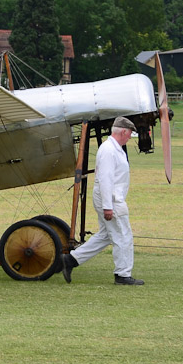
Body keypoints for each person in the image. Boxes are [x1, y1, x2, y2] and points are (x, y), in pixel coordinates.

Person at [61, 117, 144, 285]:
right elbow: (105, 179)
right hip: (111, 200)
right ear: (123, 131)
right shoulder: (109, 150)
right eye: (129, 134)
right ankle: (122, 275)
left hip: (111, 198)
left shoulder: (114, 148)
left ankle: (71, 260)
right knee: (123, 236)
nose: (129, 138)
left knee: (106, 235)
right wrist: (108, 207)